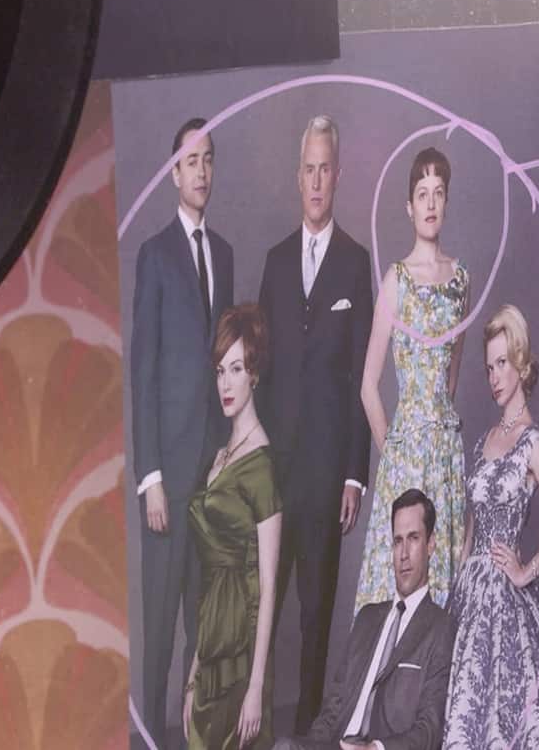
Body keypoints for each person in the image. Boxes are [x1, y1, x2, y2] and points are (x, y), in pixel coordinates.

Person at [257, 114, 373, 732]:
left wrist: (355, 474)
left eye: (326, 169)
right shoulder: (275, 262)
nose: (318, 180)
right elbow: (259, 372)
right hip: (276, 473)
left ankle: (304, 734)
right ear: (297, 177)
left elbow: (361, 377)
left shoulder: (356, 263)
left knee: (315, 614)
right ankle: (251, 735)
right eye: (309, 169)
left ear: (338, 175)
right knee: (264, 609)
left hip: (328, 474)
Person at [131, 116, 235, 742]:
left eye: (208, 159)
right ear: (174, 173)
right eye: (191, 161)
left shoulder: (224, 253)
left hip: (209, 475)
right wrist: (150, 478)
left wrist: (228, 455)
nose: (201, 170)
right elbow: (142, 373)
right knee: (160, 630)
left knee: (204, 625)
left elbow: (228, 368)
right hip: (166, 478)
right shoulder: (155, 255)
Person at [443, 305, 539, 749]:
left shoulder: (531, 442)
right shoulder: (484, 440)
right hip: (469, 596)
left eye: (502, 363)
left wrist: (525, 571)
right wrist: (458, 575)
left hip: (507, 599)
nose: (494, 377)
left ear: (520, 362)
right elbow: (470, 525)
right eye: (488, 368)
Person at [357, 147, 468, 611]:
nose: (430, 203)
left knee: (442, 579)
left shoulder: (461, 280)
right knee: (399, 582)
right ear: (409, 206)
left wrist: (440, 438)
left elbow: (451, 380)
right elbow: (368, 386)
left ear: (447, 201)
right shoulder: (396, 280)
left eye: (438, 193)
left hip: (446, 456)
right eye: (422, 194)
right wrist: (395, 453)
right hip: (406, 454)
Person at [275, 489, 456, 750]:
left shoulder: (441, 628)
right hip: (338, 746)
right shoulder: (367, 618)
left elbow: (430, 728)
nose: (404, 554)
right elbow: (333, 710)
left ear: (430, 545)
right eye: (397, 541)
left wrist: (376, 749)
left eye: (414, 539)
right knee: (286, 746)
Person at [184, 304, 281, 750]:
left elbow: (268, 586)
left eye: (236, 369)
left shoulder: (262, 467)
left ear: (254, 374)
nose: (225, 383)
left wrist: (256, 687)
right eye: (220, 370)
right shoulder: (221, 457)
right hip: (211, 647)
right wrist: (193, 672)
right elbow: (212, 583)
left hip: (242, 656)